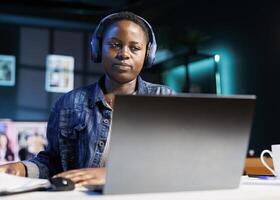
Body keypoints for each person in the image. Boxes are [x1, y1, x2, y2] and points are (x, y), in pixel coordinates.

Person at [0, 11, 174, 186]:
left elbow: (174, 161)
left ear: (148, 54)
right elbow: (53, 163)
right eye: (115, 45)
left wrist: (112, 175)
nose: (124, 54)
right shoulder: (68, 104)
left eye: (135, 48)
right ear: (98, 49)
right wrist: (20, 168)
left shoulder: (165, 99)